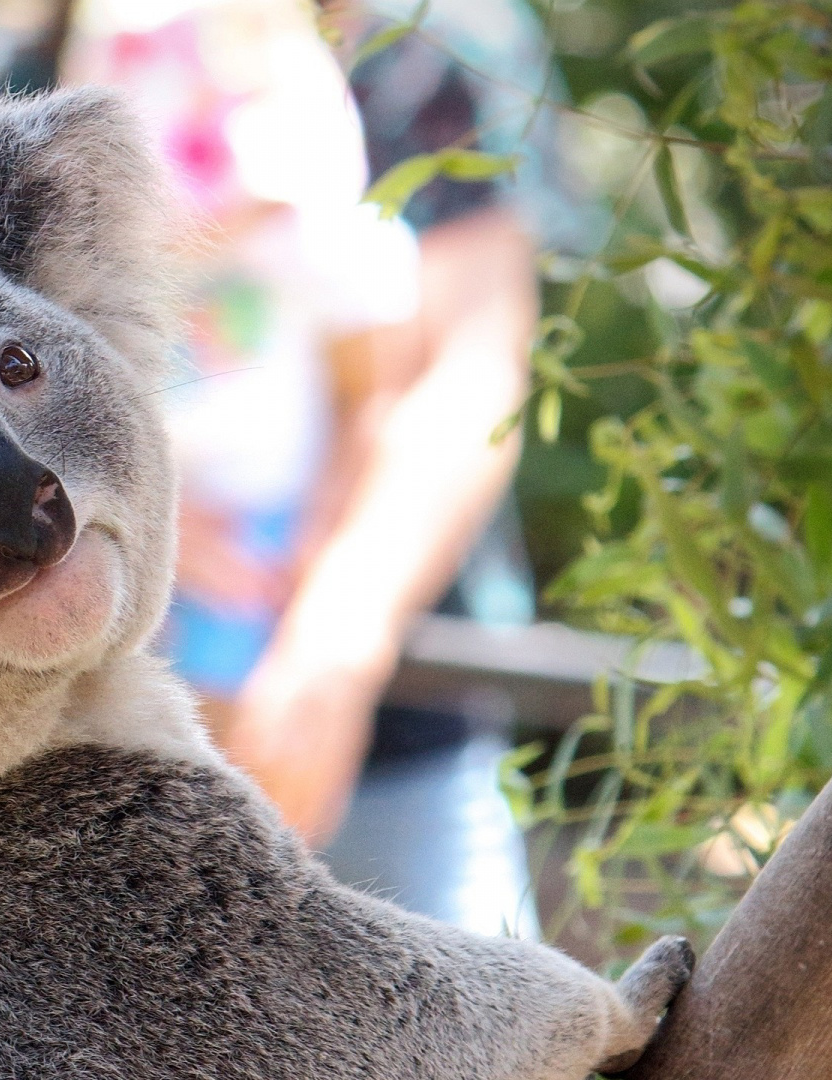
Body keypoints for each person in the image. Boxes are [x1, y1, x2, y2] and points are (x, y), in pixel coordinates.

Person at [65, 0, 576, 934]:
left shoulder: (432, 44)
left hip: (394, 720)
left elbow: (464, 372)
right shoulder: (50, 50)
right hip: (108, 711)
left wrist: (335, 641)